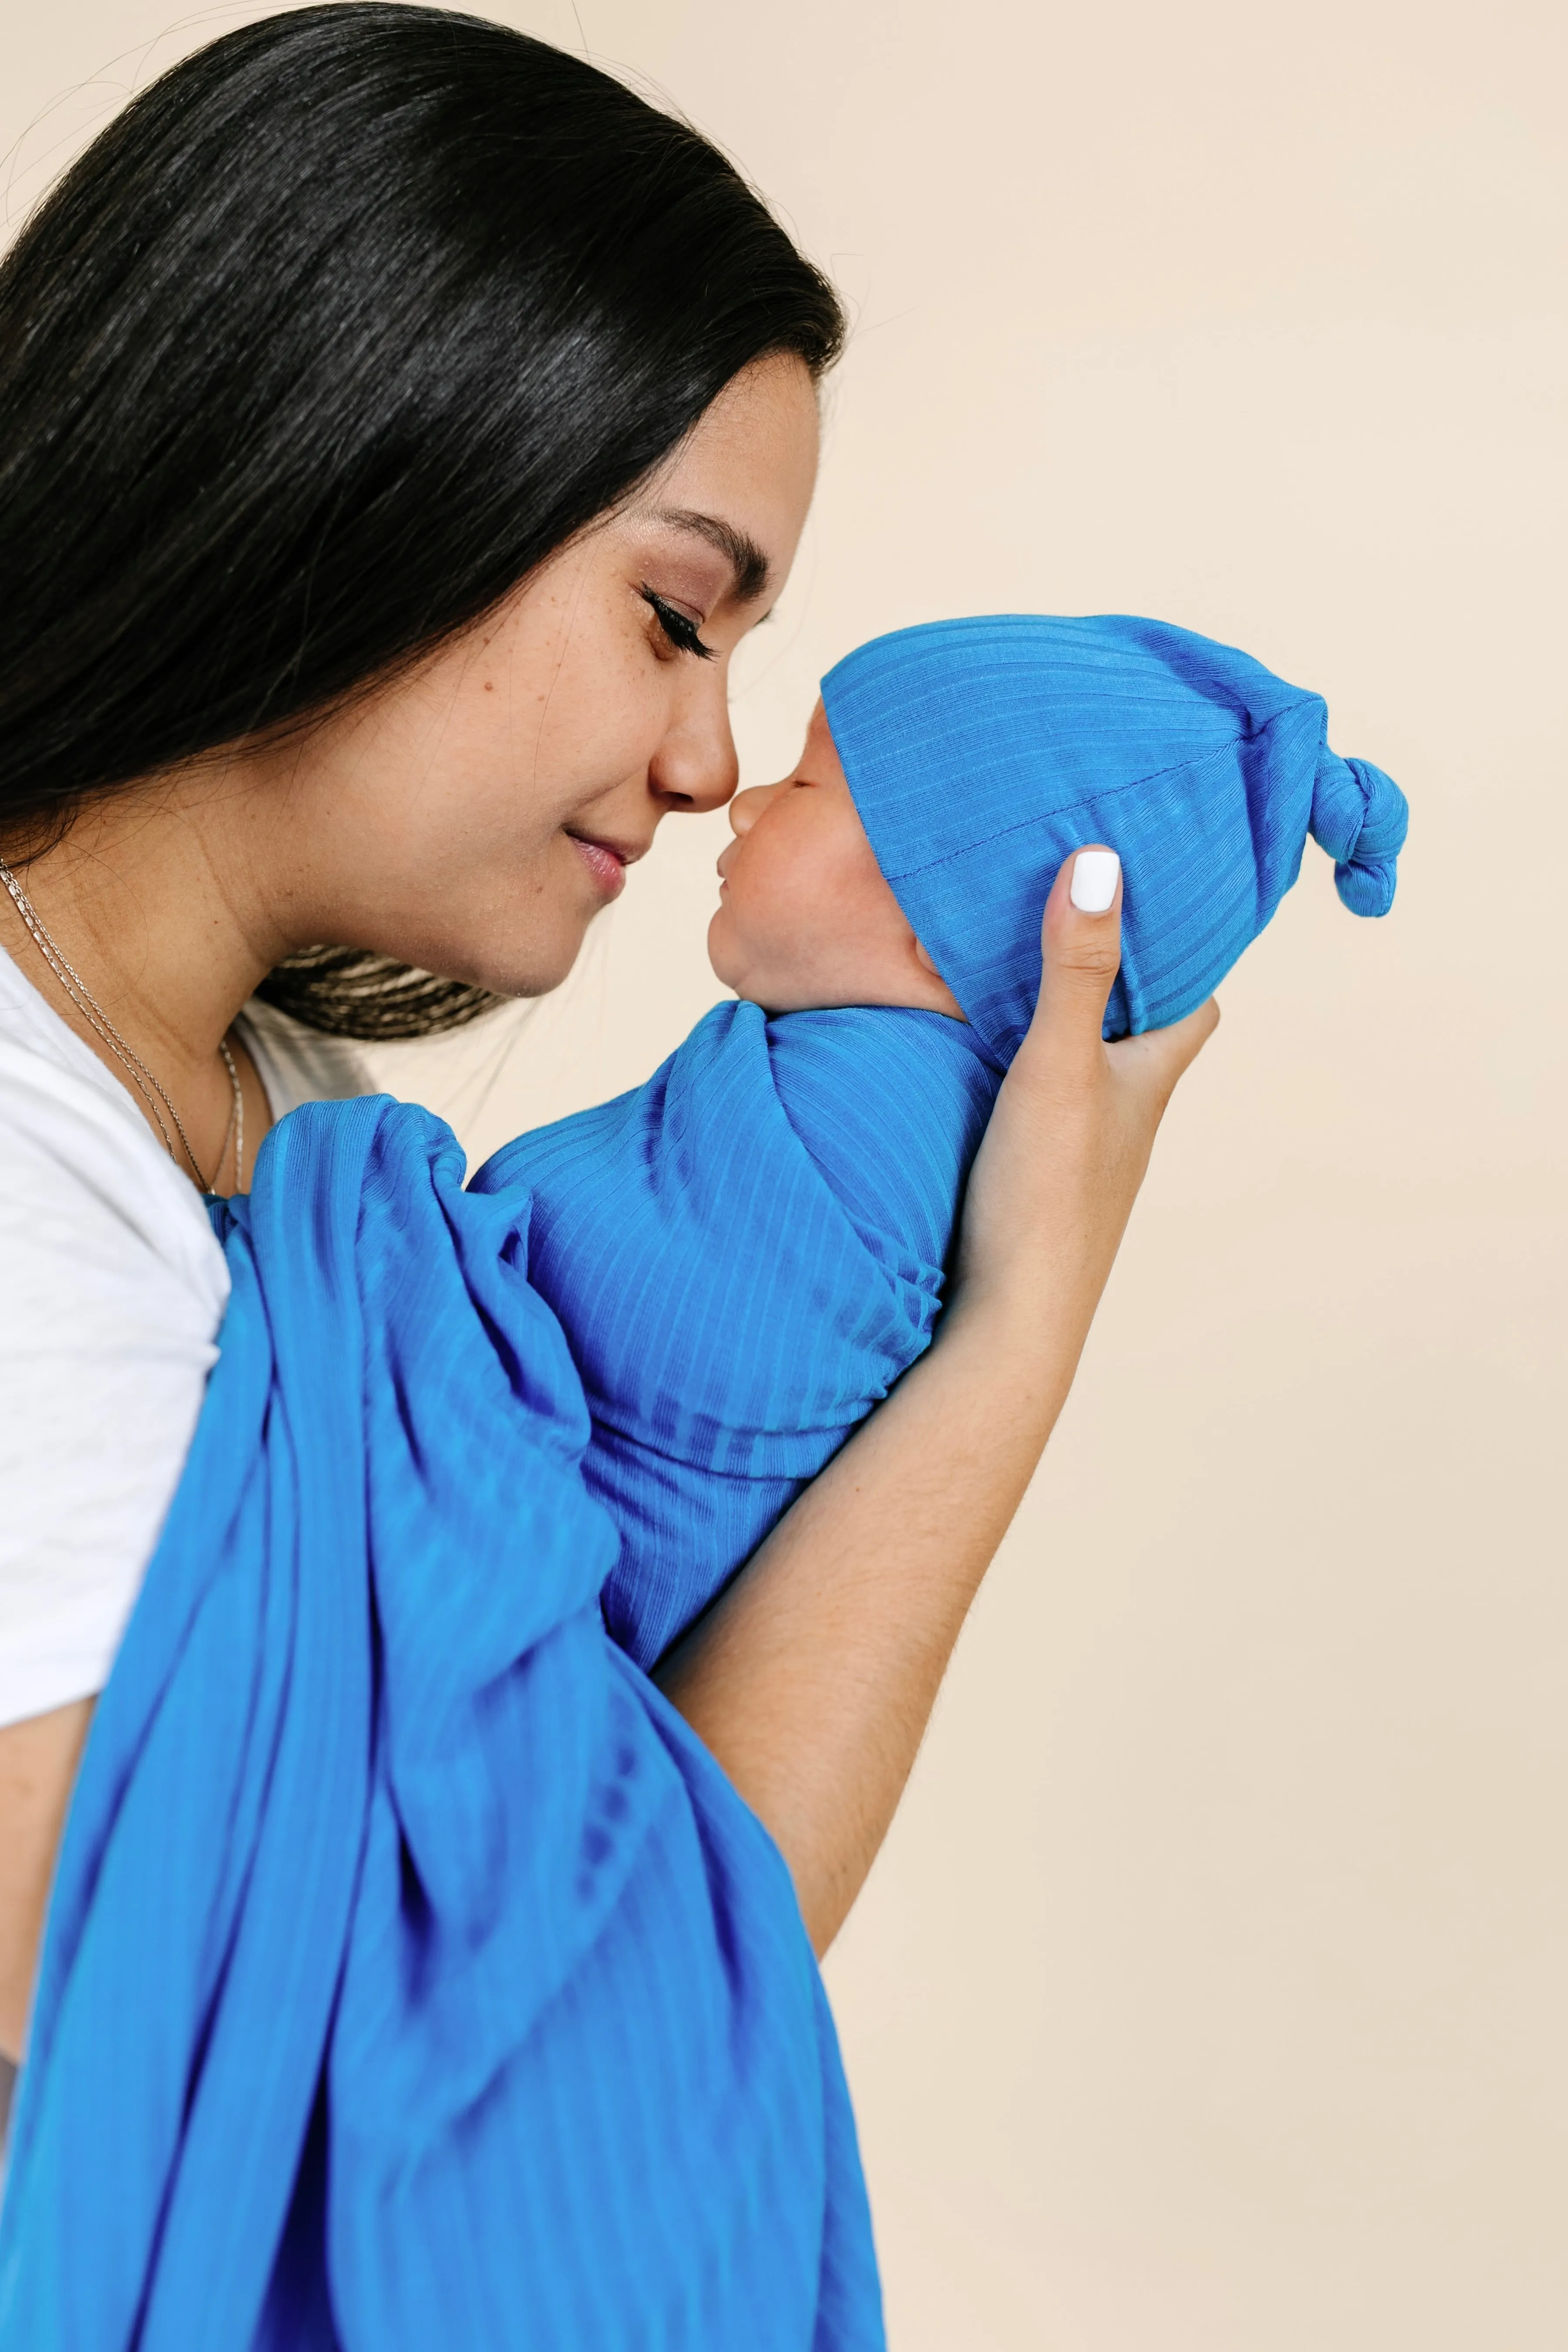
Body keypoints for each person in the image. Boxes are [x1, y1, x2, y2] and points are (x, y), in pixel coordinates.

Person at [0, 9, 1215, 2343]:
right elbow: (438, 2053)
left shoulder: (318, 1149)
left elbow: (653, 1937)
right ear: (355, 468)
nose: (708, 756)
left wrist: (1015, 1318)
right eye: (675, 611)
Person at [477, 615, 1406, 1672]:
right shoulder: (883, 1085)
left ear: (941, 923)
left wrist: (434, 1239)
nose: (746, 801)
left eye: (806, 787)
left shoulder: (866, 1117)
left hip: (547, 1591)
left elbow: (673, 1341)